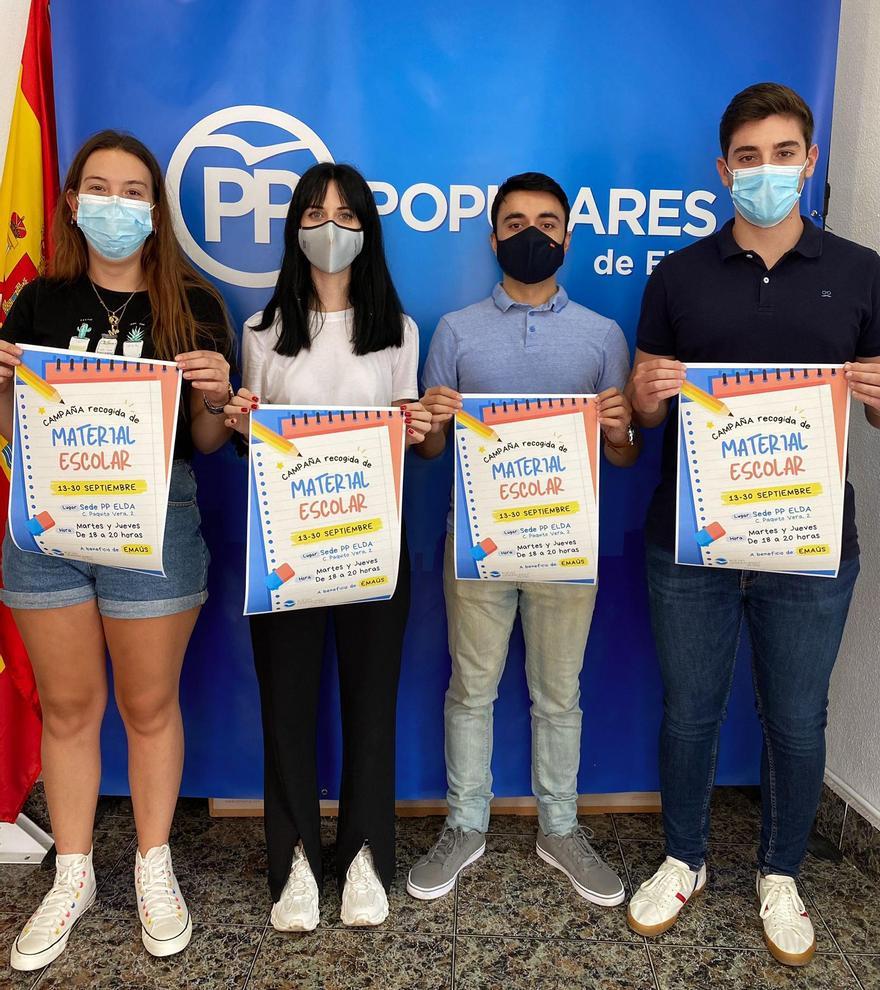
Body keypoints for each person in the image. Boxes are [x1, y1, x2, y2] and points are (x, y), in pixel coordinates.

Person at [625, 83, 880, 967]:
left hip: (812, 544)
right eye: (748, 156)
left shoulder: (863, 271)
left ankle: (781, 873)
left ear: (810, 162)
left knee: (797, 720)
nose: (766, 171)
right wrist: (644, 396)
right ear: (722, 169)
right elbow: (643, 412)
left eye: (783, 154)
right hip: (689, 542)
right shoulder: (678, 276)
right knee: (690, 713)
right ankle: (682, 857)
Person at [2, 130, 235, 971]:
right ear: (70, 202)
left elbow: (209, 443)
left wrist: (216, 401)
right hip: (49, 526)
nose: (114, 203)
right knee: (66, 709)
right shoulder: (37, 303)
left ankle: (151, 861)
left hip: (154, 523)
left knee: (148, 706)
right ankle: (72, 873)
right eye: (97, 187)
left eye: (132, 190)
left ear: (154, 210)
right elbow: (13, 433)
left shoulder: (195, 308)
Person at [407, 172, 638, 906]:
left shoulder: (603, 335)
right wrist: (432, 424)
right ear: (494, 235)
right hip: (475, 545)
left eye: (545, 221)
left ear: (568, 236)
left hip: (567, 546)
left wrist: (619, 428)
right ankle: (465, 823)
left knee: (558, 695)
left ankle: (560, 827)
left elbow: (626, 452)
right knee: (470, 689)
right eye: (514, 222)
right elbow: (429, 453)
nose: (530, 233)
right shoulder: (455, 329)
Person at [224, 162, 430, 931]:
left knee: (371, 705)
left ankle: (369, 857)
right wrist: (245, 424)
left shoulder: (400, 332)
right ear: (295, 227)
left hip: (374, 546)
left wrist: (420, 429)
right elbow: (255, 446)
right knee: (288, 707)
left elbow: (410, 436)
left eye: (346, 214)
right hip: (286, 548)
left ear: (368, 229)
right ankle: (298, 864)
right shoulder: (262, 330)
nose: (331, 228)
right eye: (316, 213)